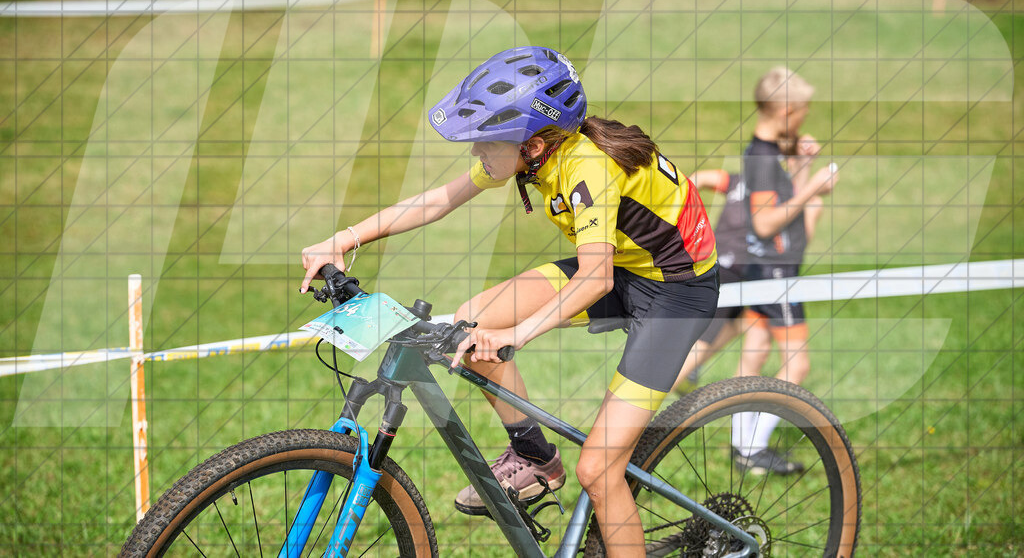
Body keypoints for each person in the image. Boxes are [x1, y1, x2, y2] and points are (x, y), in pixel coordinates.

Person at [300, 46, 720, 556]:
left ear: (535, 145)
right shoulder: (538, 152)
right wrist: (344, 238)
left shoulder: (587, 167)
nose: (476, 153)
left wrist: (515, 336)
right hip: (623, 268)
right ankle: (535, 457)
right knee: (471, 321)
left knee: (599, 468)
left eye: (483, 143)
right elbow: (439, 200)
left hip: (675, 292)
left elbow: (594, 280)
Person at [676, 66, 836, 476]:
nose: (805, 116)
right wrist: (815, 189)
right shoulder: (763, 160)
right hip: (773, 272)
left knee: (755, 352)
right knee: (796, 364)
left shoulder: (764, 152)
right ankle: (753, 446)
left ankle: (743, 446)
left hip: (762, 269)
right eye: (802, 109)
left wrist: (801, 164)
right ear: (784, 110)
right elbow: (766, 223)